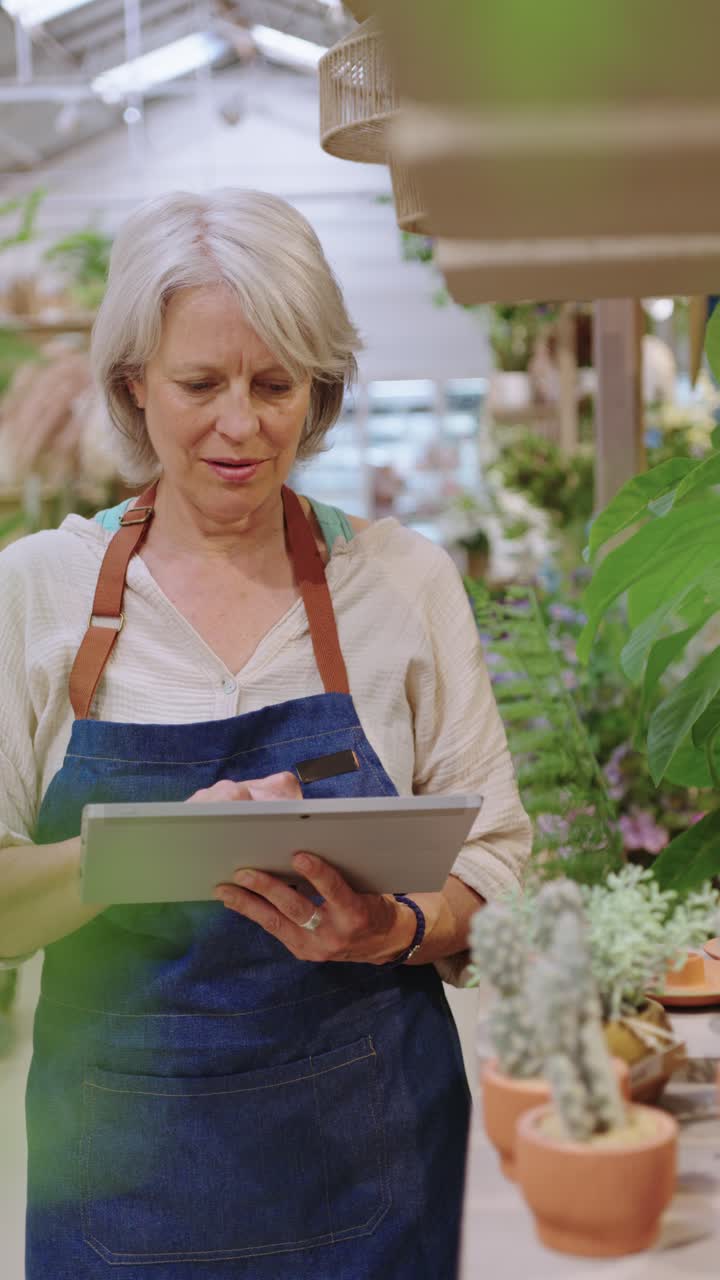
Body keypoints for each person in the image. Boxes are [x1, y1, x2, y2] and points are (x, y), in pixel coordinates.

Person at [0, 189, 532, 1280]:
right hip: (121, 1189)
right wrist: (139, 850)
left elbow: (498, 857)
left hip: (373, 1172)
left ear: (321, 390)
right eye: (200, 383)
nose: (240, 425)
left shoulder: (401, 582)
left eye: (276, 384)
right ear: (134, 383)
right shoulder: (39, 594)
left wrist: (390, 926)